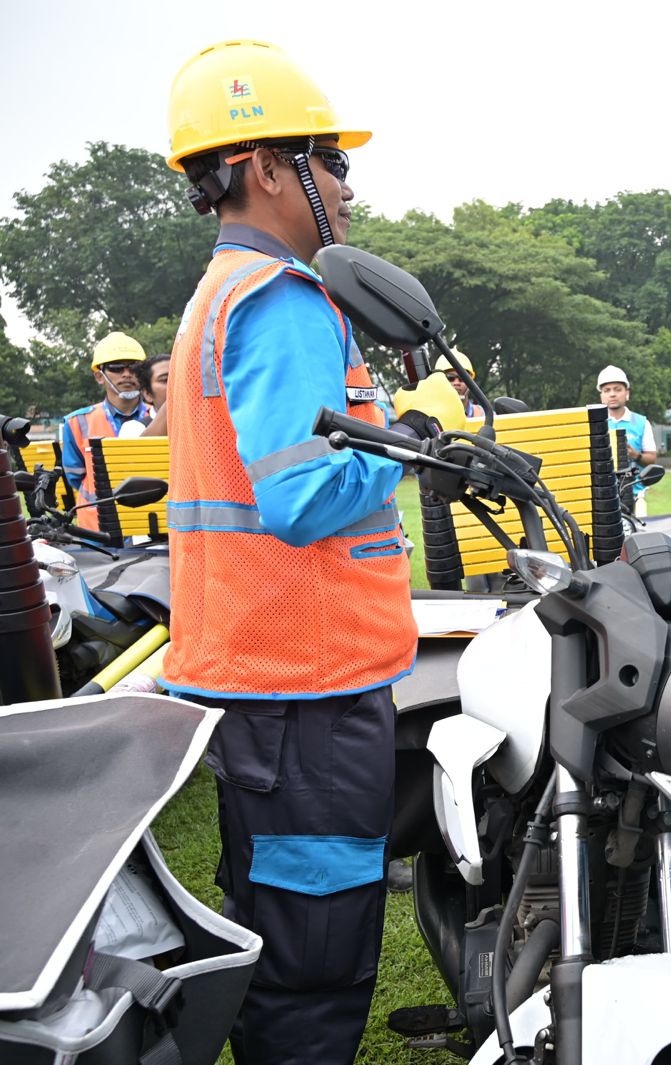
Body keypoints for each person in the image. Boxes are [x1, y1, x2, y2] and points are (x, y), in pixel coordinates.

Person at [159, 39, 417, 1065]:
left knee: (273, 933)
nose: (347, 187)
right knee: (314, 961)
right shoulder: (282, 303)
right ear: (266, 168)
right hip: (304, 692)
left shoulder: (219, 297)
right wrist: (409, 438)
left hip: (263, 678)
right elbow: (305, 498)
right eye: (331, 160)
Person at [61, 331, 152, 527]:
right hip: (98, 529)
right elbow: (75, 477)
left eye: (134, 367)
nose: (126, 374)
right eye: (116, 368)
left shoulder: (162, 416)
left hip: (152, 524)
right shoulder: (76, 422)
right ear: (99, 376)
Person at [597, 364, 657, 515]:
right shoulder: (595, 423)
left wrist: (635, 455)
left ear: (627, 393)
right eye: (607, 390)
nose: (612, 394)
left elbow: (652, 458)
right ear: (601, 396)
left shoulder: (641, 422)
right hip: (602, 495)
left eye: (617, 389)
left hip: (636, 494)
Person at [122, 353, 173, 437]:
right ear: (147, 394)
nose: (175, 384)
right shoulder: (133, 429)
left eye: (179, 378)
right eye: (165, 380)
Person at [436, 350, 482, 417]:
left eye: (462, 378)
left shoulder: (484, 415)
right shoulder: (430, 418)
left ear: (471, 382)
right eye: (450, 378)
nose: (457, 383)